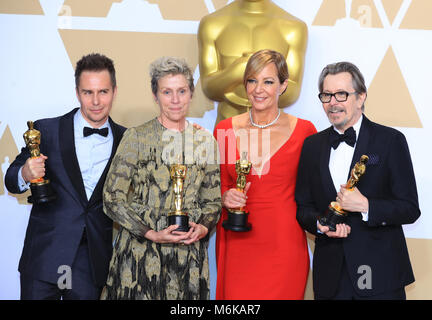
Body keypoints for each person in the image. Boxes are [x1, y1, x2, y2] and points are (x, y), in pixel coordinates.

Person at [5, 53, 127, 299]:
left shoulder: (127, 140)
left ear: (114, 91)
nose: (95, 101)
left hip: (90, 264)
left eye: (103, 92)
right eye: (87, 92)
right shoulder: (46, 130)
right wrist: (25, 173)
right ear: (77, 92)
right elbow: (11, 179)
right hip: (43, 258)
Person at [295, 61, 421, 300]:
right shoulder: (312, 146)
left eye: (341, 94)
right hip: (330, 279)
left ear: (361, 97)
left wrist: (366, 206)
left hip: (381, 275)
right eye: (326, 95)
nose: (333, 102)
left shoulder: (391, 141)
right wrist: (320, 225)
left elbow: (410, 209)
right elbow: (303, 207)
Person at [101, 56, 221, 300]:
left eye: (181, 91)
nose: (175, 100)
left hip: (188, 257)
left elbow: (213, 202)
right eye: (167, 92)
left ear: (191, 94)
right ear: (155, 95)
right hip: (140, 254)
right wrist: (151, 233)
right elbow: (112, 198)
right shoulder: (137, 137)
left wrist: (202, 227)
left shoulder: (205, 141)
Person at [213, 49, 317, 299]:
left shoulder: (305, 131)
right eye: (252, 80)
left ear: (283, 85)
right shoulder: (225, 130)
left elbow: (314, 192)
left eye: (268, 81)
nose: (258, 89)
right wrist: (225, 196)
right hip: (237, 242)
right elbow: (217, 186)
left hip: (284, 244)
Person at [198, 0, 307, 125]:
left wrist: (248, 74)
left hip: (273, 130)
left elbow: (291, 94)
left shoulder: (294, 27)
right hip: (227, 125)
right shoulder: (212, 24)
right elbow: (209, 89)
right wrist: (237, 72)